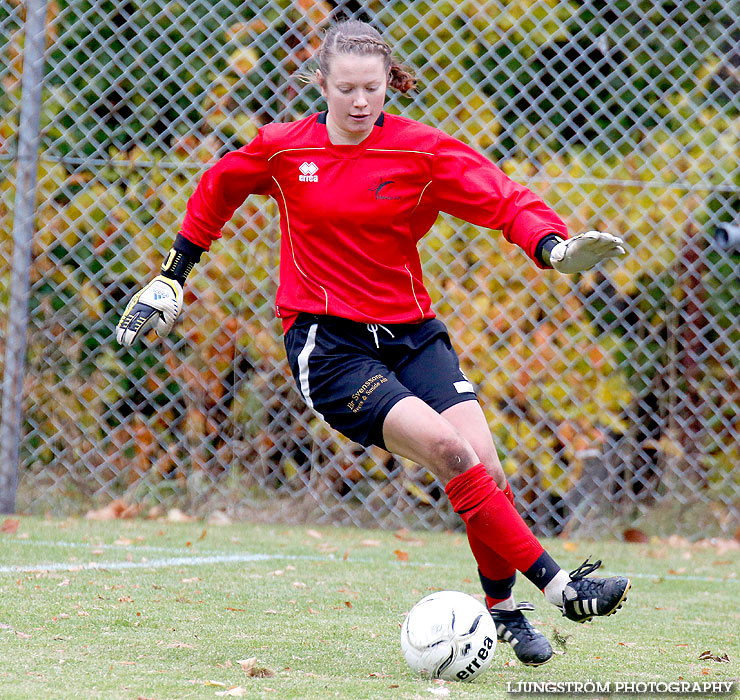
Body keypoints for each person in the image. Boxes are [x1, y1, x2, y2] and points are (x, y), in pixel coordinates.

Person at [116, 19, 629, 667]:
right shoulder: (283, 150)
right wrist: (173, 275)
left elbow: (502, 199)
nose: (361, 103)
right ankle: (564, 589)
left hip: (411, 334)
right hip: (329, 347)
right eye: (348, 89)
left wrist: (552, 246)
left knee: (488, 471)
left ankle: (500, 613)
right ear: (322, 84)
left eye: (374, 89)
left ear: (391, 84)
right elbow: (218, 187)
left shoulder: (421, 151)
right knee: (449, 451)